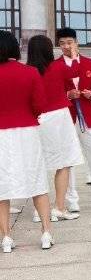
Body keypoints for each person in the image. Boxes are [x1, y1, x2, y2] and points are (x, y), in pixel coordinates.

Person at [0, 31, 54, 252]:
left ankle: (6, 238)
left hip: (1, 133)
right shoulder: (30, 72)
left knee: (1, 186)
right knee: (36, 180)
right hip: (27, 131)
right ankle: (46, 232)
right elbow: (40, 104)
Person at [54, 27, 91, 211]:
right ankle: (72, 200)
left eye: (69, 42)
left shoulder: (89, 63)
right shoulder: (56, 66)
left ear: (76, 42)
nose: (66, 46)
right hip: (68, 118)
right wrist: (67, 94)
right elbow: (52, 93)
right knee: (69, 160)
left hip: (88, 116)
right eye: (62, 43)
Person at [26, 35, 83, 221]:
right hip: (59, 117)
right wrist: (74, 54)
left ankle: (38, 211)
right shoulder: (58, 67)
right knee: (64, 163)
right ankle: (59, 207)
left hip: (38, 119)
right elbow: (76, 72)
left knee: (38, 163)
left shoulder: (28, 70)